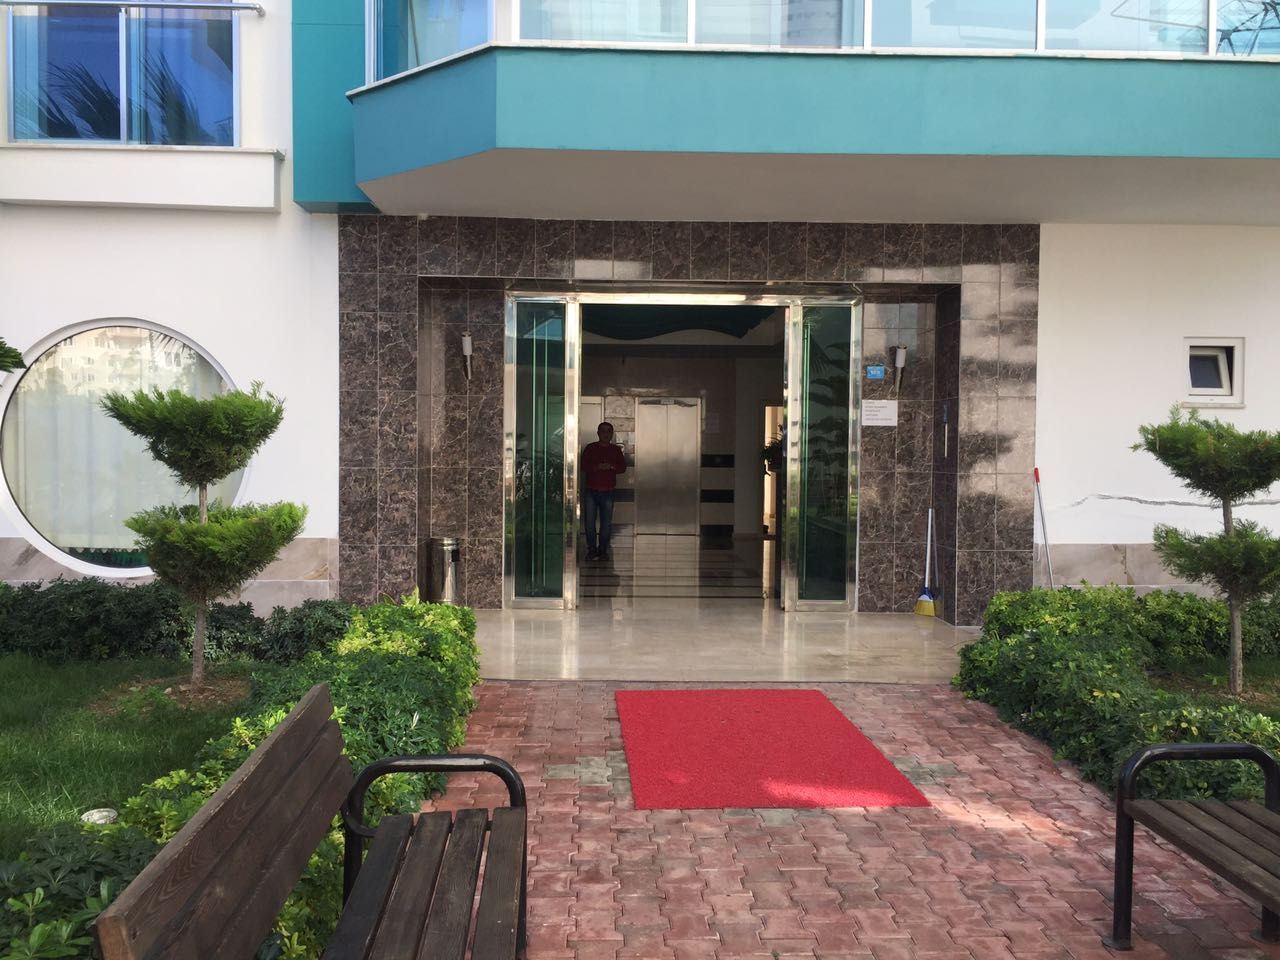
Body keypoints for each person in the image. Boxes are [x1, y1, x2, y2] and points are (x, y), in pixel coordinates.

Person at [581, 421, 626, 561]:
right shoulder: (590, 448)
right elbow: (583, 466)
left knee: (606, 523)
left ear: (612, 434)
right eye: (603, 431)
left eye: (608, 431)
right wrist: (597, 467)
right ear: (598, 433)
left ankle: (603, 550)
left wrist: (611, 467)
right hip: (591, 491)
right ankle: (591, 549)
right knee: (589, 523)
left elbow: (622, 468)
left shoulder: (616, 450)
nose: (606, 434)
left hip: (608, 491)